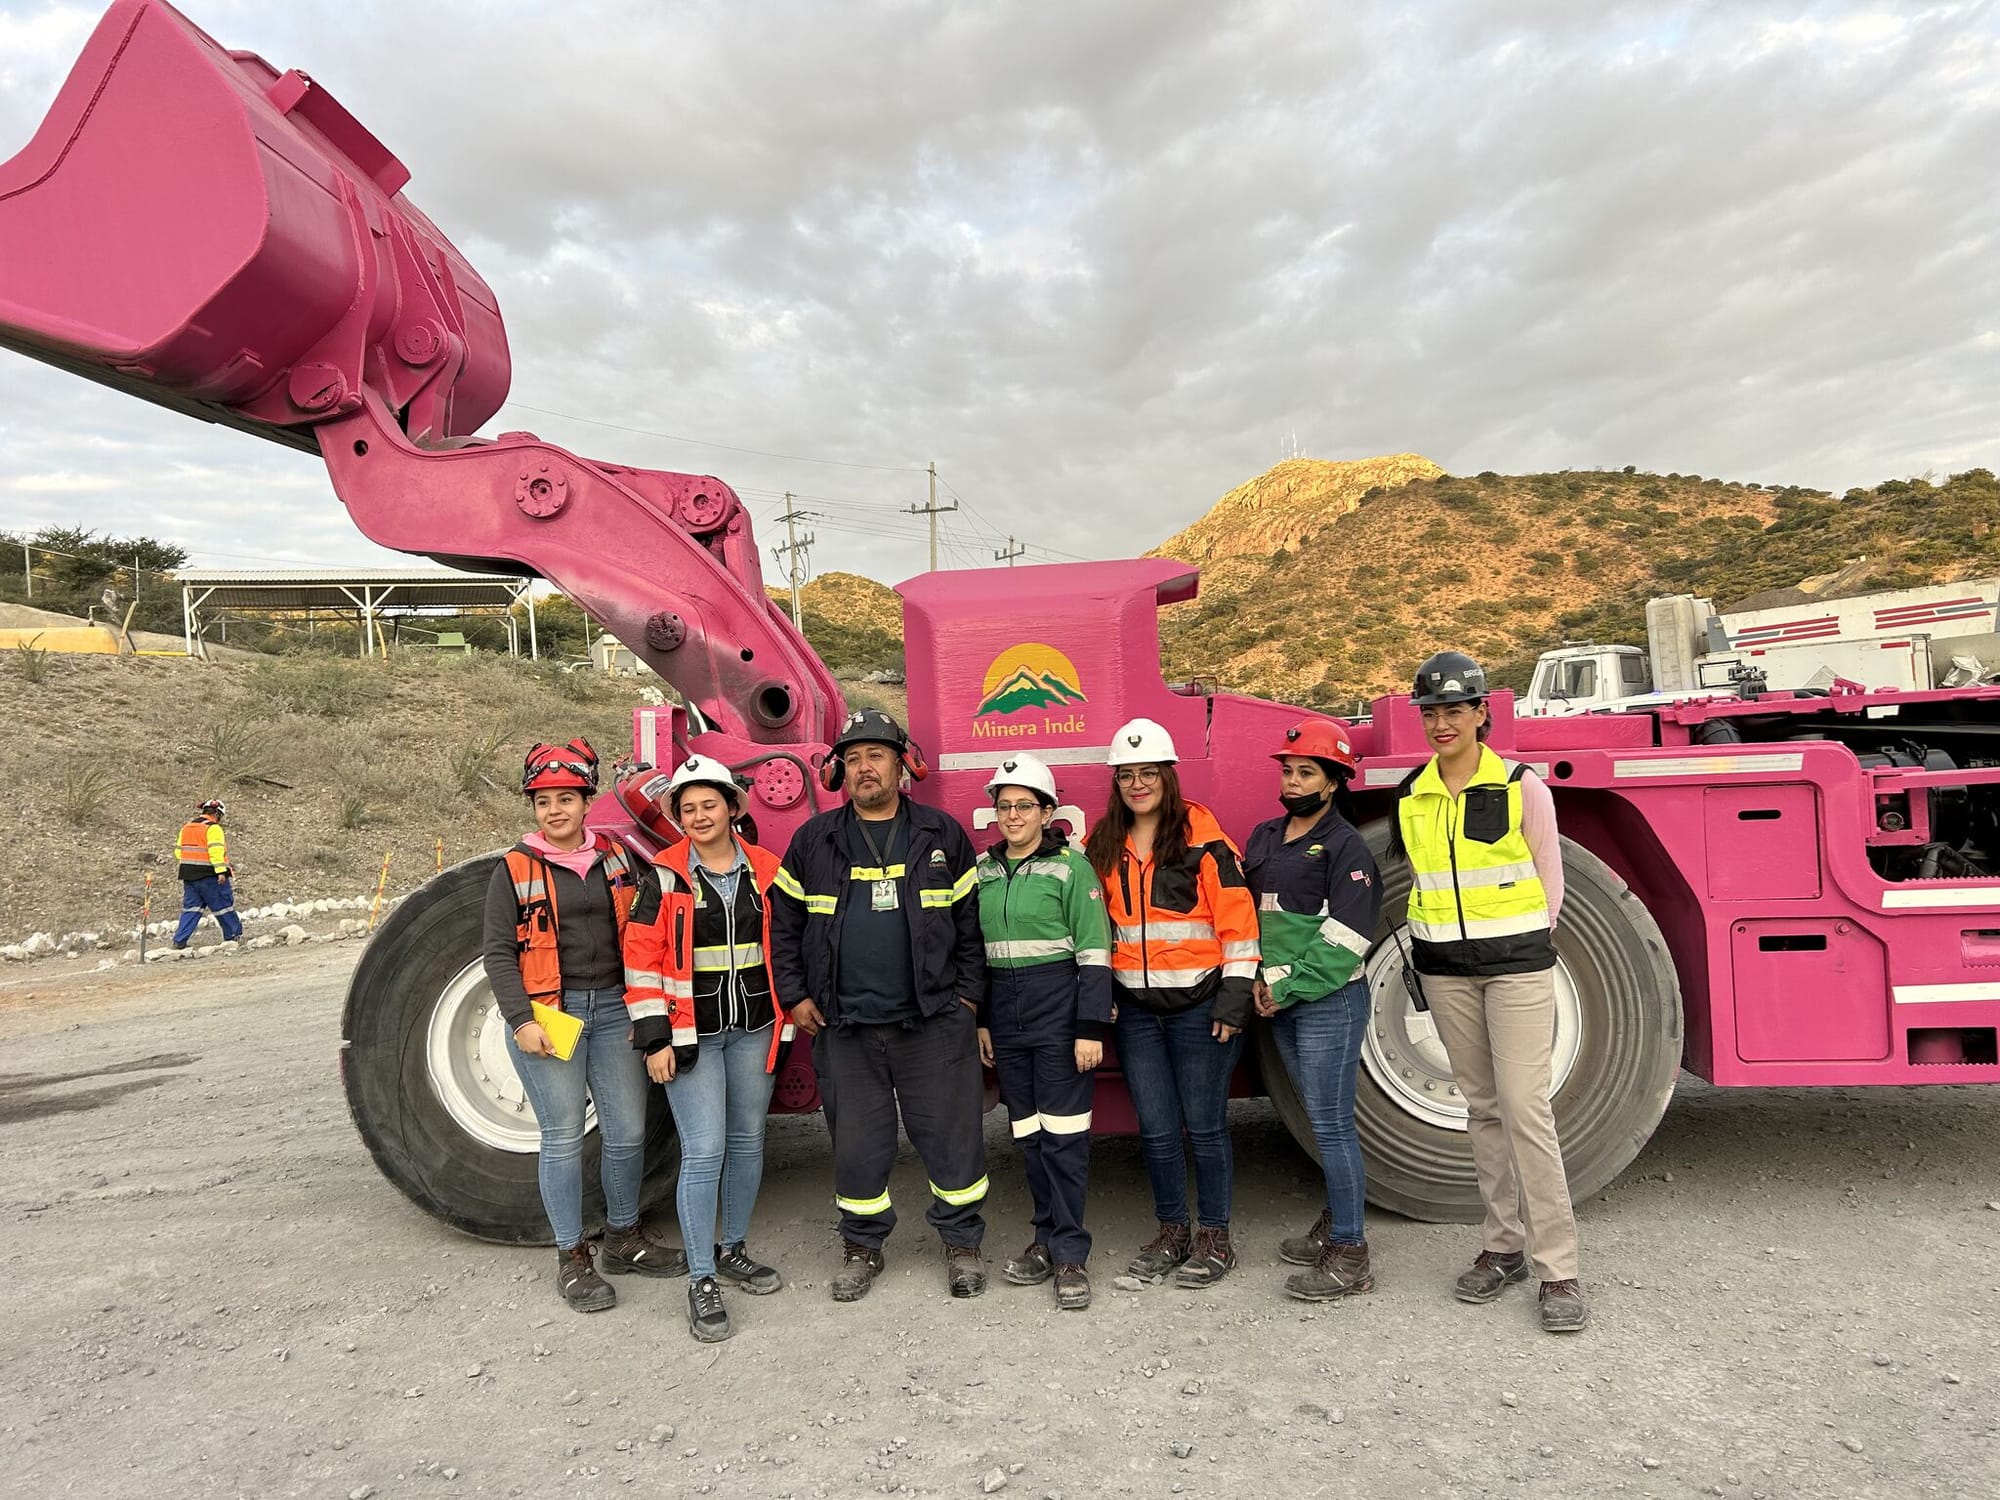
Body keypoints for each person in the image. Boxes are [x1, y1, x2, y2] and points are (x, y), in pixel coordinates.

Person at [769, 707, 990, 1302]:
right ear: (840, 770)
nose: (865, 768)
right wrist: (793, 996)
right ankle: (863, 1246)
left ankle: (962, 1242)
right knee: (858, 1147)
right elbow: (784, 927)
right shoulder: (814, 841)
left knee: (952, 1138)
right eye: (854, 758)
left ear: (901, 766)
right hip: (845, 1028)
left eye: (877, 756)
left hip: (933, 1023)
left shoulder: (941, 836)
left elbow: (971, 929)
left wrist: (968, 1001)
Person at [1394, 652, 1587, 1333]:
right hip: (1446, 971)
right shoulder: (1412, 794)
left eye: (1455, 709)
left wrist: (1519, 945)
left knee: (1523, 1107)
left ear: (1482, 713)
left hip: (1516, 970)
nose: (1442, 722)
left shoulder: (1521, 786)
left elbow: (1550, 881)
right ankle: (1502, 1246)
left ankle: (1557, 1267)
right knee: (1481, 1108)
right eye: (1431, 711)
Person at [481, 738, 684, 1314]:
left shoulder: (617, 856)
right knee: (564, 1137)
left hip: (615, 1008)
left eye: (566, 798)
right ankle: (572, 1256)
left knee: (626, 1132)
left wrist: (644, 1008)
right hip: (552, 1014)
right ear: (533, 807)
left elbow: (650, 920)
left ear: (586, 800)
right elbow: (498, 953)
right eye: (543, 801)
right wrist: (521, 1020)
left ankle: (622, 1238)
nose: (555, 810)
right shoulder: (513, 869)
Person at [1086, 717, 1259, 1287]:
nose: (1137, 784)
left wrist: (1235, 996)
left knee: (1204, 1127)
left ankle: (1215, 1237)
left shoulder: (1204, 838)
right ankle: (1171, 1232)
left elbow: (1238, 921)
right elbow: (1095, 926)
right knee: (1156, 1130)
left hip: (1200, 1008)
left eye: (1148, 774)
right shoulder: (1102, 844)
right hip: (1137, 1013)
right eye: (1127, 775)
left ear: (1167, 776)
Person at [623, 755, 790, 1343]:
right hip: (689, 1037)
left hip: (755, 1030)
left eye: (708, 805)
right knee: (705, 1149)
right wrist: (652, 1038)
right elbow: (640, 963)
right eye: (686, 808)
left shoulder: (768, 870)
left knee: (747, 1142)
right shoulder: (662, 876)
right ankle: (700, 1278)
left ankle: (733, 1250)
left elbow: (789, 946)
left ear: (732, 807)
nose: (698, 816)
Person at [1244, 718, 1381, 1300]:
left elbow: (1349, 934)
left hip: (1327, 1002)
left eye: (1307, 772)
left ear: (1333, 782)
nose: (1294, 780)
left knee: (1330, 1123)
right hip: (1280, 1002)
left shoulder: (1346, 846)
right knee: (1317, 1120)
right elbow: (1248, 918)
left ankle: (1351, 1252)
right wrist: (1256, 980)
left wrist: (1287, 987)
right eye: (1288, 770)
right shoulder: (1264, 836)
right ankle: (1338, 1222)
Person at [974, 752, 1114, 1311]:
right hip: (1006, 1022)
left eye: (1023, 807)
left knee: (1064, 1139)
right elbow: (978, 956)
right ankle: (1043, 1238)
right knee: (1028, 1137)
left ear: (1047, 811)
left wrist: (1088, 1029)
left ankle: (1071, 1252)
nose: (1012, 816)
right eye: (1003, 807)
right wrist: (983, 1021)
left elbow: (1095, 953)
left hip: (1059, 1019)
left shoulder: (1071, 868)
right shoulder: (982, 871)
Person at [172, 799, 243, 948]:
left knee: (191, 909)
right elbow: (215, 851)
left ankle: (179, 940)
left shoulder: (187, 828)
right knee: (223, 906)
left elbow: (178, 852)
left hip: (188, 875)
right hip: (209, 875)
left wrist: (191, 863)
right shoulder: (213, 828)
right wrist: (221, 872)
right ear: (217, 813)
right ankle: (233, 936)